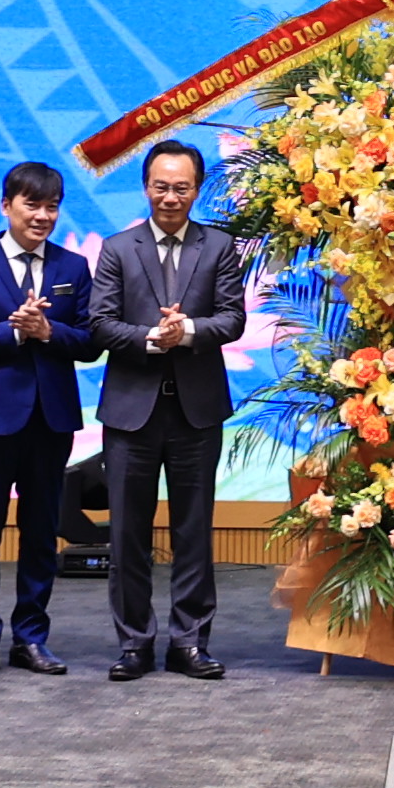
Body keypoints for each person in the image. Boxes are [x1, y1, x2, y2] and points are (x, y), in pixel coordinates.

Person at [89, 134, 253, 682]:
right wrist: (150, 338)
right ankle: (134, 644)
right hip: (130, 414)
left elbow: (233, 319)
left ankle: (190, 642)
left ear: (197, 190)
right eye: (160, 187)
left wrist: (187, 333)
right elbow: (100, 323)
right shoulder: (118, 248)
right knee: (127, 535)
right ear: (145, 187)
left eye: (181, 188)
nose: (170, 197)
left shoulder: (219, 246)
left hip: (195, 412)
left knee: (193, 531)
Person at [0, 158, 100, 674]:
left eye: (52, 207)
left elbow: (91, 342)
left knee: (40, 532)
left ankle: (31, 636)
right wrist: (11, 332)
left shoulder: (73, 267)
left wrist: (48, 333)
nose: (42, 216)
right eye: (32, 205)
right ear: (7, 205)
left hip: (50, 420)